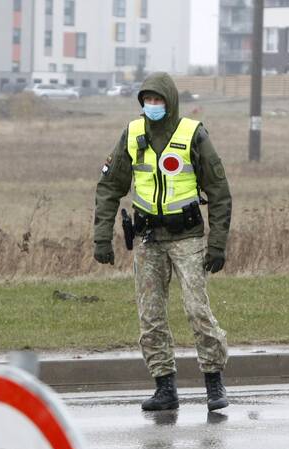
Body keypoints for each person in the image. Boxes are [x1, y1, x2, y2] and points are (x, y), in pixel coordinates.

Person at [93, 72, 232, 412]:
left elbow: (219, 192)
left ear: (170, 101)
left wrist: (217, 244)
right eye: (147, 100)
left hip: (187, 237)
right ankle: (164, 387)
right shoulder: (132, 134)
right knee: (150, 315)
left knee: (197, 310)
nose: (153, 106)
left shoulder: (193, 135)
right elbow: (110, 187)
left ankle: (213, 382)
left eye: (158, 100)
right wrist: (102, 237)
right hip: (147, 238)